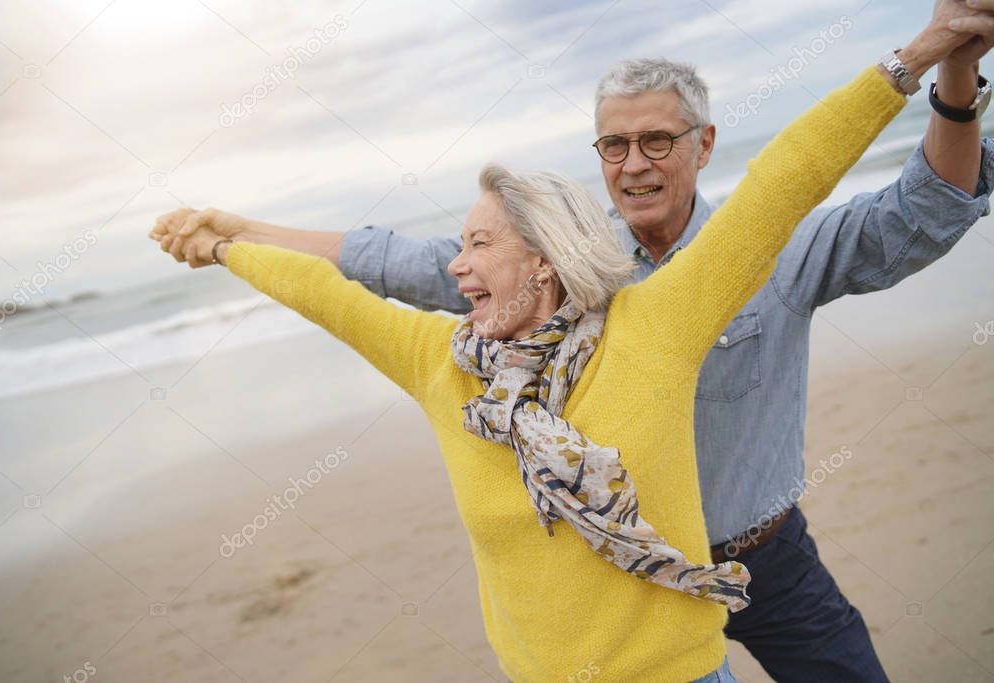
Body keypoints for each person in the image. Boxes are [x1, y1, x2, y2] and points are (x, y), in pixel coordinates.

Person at [151, 3, 994, 680]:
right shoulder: (540, 295)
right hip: (619, 587)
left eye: (656, 139)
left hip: (763, 558)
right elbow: (383, 276)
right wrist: (236, 233)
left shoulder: (716, 278)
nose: (633, 163)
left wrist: (942, 66)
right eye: (614, 144)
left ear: (703, 145)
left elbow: (890, 203)